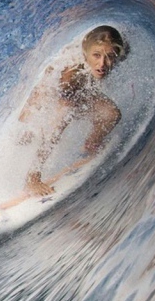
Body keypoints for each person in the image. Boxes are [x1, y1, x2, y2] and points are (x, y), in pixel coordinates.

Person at [16, 24, 128, 198]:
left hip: (78, 91)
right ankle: (32, 177)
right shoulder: (71, 73)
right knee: (57, 118)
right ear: (86, 55)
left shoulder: (118, 51)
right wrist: (32, 126)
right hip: (47, 94)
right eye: (96, 56)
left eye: (110, 57)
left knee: (112, 114)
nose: (102, 64)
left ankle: (91, 144)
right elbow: (54, 108)